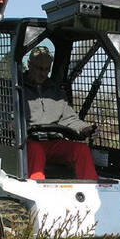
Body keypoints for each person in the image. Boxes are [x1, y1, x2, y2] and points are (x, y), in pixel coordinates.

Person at [24, 46, 99, 180]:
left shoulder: (57, 92)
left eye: (47, 69)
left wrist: (85, 128)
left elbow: (69, 119)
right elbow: (7, 117)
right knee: (36, 150)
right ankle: (36, 191)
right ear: (29, 64)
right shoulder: (16, 89)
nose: (43, 73)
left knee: (81, 150)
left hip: (54, 142)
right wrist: (10, 124)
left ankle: (93, 190)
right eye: (39, 68)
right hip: (28, 142)